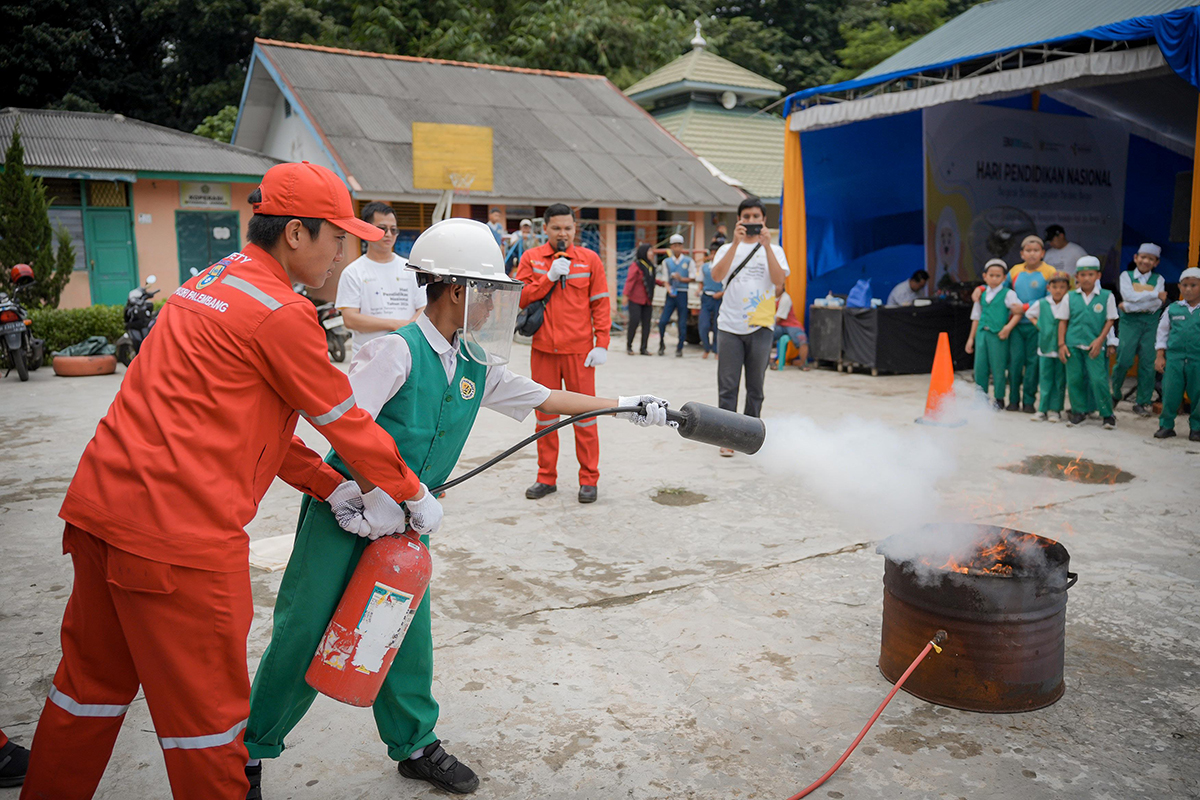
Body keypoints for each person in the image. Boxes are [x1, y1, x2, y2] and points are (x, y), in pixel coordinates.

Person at [21, 161, 437, 800]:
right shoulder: (282, 313)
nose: (341, 254)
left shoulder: (208, 284)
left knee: (87, 692)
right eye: (336, 238)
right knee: (210, 730)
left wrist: (332, 488)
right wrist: (409, 492)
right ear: (295, 234)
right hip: (176, 540)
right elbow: (345, 421)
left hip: (100, 512)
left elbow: (237, 424)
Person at [244, 218, 670, 796]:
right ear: (456, 290)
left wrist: (624, 403)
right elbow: (344, 430)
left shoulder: (472, 363)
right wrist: (370, 498)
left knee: (403, 632)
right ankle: (249, 753)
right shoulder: (394, 351)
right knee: (303, 634)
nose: (498, 307)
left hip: (409, 523)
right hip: (349, 516)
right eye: (491, 293)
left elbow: (543, 397)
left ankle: (415, 744)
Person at [515, 204, 612, 503]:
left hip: (580, 353)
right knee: (545, 418)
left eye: (568, 228)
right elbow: (519, 296)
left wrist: (602, 343)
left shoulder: (589, 259)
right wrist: (549, 278)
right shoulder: (532, 258)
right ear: (546, 229)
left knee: (586, 417)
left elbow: (600, 303)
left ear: (574, 228)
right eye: (556, 228)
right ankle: (546, 478)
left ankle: (589, 479)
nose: (563, 233)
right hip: (544, 350)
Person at [710, 197, 790, 456]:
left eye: (757, 217)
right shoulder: (725, 249)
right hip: (730, 326)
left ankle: (749, 436)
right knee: (728, 385)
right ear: (739, 220)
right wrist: (734, 243)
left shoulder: (775, 250)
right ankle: (726, 437)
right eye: (747, 217)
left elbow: (779, 283)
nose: (752, 221)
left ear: (764, 220)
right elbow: (717, 276)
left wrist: (766, 247)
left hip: (761, 325)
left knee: (756, 386)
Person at [335, 202, 427, 356]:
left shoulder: (410, 269)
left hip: (407, 354)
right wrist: (394, 324)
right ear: (366, 230)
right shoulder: (353, 272)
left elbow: (424, 307)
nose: (389, 234)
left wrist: (408, 327)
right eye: (382, 229)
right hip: (368, 358)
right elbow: (350, 319)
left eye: (393, 229)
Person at [1058, 256, 1118, 429]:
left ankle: (1107, 414)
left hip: (1095, 345)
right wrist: (1062, 344)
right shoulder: (1070, 296)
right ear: (1076, 276)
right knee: (1075, 379)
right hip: (1072, 344)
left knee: (1098, 379)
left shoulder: (1107, 296)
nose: (1086, 278)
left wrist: (1101, 341)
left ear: (1098, 276)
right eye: (1082, 275)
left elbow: (1110, 320)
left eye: (1090, 274)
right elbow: (1063, 321)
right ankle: (1078, 412)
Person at [1000, 235, 1057, 412]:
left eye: (1036, 250)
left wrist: (1025, 307)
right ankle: (1013, 400)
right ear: (1022, 253)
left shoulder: (1050, 272)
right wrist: (980, 290)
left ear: (1043, 253)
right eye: (1028, 250)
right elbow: (1000, 288)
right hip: (1016, 326)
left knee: (1033, 364)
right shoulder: (1014, 271)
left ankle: (1029, 402)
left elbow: (1052, 297)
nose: (1032, 254)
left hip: (1036, 324)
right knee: (1015, 363)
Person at [1112, 243, 1167, 415]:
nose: (1146, 261)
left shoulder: (1159, 279)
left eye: (1150, 259)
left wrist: (1129, 306)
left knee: (1148, 363)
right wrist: (1152, 295)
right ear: (1136, 258)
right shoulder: (1126, 276)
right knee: (1124, 359)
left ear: (1156, 262)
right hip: (1130, 323)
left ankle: (1142, 402)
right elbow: (1128, 296)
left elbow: (1158, 304)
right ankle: (1114, 394)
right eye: (1143, 257)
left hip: (1150, 323)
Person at [966, 259, 1024, 409]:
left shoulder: (1008, 294)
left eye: (998, 276)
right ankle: (981, 398)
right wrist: (971, 338)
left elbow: (1018, 312)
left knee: (998, 367)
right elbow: (976, 317)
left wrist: (1008, 328)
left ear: (1004, 278)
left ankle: (999, 398)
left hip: (998, 335)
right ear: (985, 276)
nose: (994, 278)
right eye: (991, 275)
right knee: (980, 367)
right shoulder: (981, 293)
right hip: (982, 334)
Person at [1153, 267, 1200, 440]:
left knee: (1198, 393)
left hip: (1198, 359)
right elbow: (1162, 333)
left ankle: (1197, 428)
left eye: (1193, 285)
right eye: (1184, 285)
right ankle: (1166, 425)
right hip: (1174, 359)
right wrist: (1160, 356)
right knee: (1170, 392)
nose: (1188, 289)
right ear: (1179, 287)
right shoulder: (1173, 309)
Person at [1023, 271, 1071, 422]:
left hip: (1062, 348)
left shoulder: (1069, 303)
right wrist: (1040, 326)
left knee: (1059, 380)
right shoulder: (1042, 303)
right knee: (1045, 379)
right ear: (1049, 288)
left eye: (1062, 287)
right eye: (1054, 287)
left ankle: (1055, 410)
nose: (1058, 290)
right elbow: (1029, 314)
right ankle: (1042, 409)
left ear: (1067, 289)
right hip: (1044, 347)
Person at [657, 233, 694, 357]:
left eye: (679, 245)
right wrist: (668, 289)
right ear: (671, 247)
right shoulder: (666, 262)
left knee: (682, 322)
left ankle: (680, 347)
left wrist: (681, 279)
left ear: (682, 246)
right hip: (671, 294)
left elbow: (692, 278)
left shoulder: (688, 261)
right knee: (663, 321)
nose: (677, 248)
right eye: (674, 245)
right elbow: (665, 279)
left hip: (683, 293)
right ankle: (661, 343)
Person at [624, 243, 659, 356]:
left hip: (647, 300)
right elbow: (630, 281)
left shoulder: (651, 266)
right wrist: (625, 295)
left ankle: (643, 348)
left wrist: (663, 283)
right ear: (644, 252)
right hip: (635, 299)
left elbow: (652, 280)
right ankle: (629, 346)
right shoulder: (636, 265)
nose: (652, 253)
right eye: (649, 251)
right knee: (634, 322)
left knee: (646, 325)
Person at [771, 288, 809, 370]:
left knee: (802, 340)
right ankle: (771, 362)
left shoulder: (785, 298)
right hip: (779, 326)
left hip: (791, 325)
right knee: (766, 337)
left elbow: (779, 318)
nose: (776, 287)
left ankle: (803, 364)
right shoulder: (770, 296)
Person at [698, 241, 724, 359]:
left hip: (719, 298)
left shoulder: (724, 267)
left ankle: (717, 350)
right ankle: (706, 348)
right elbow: (701, 282)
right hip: (706, 297)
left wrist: (721, 293)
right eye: (712, 253)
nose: (713, 256)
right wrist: (699, 291)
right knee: (703, 325)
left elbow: (728, 284)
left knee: (717, 326)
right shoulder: (704, 267)